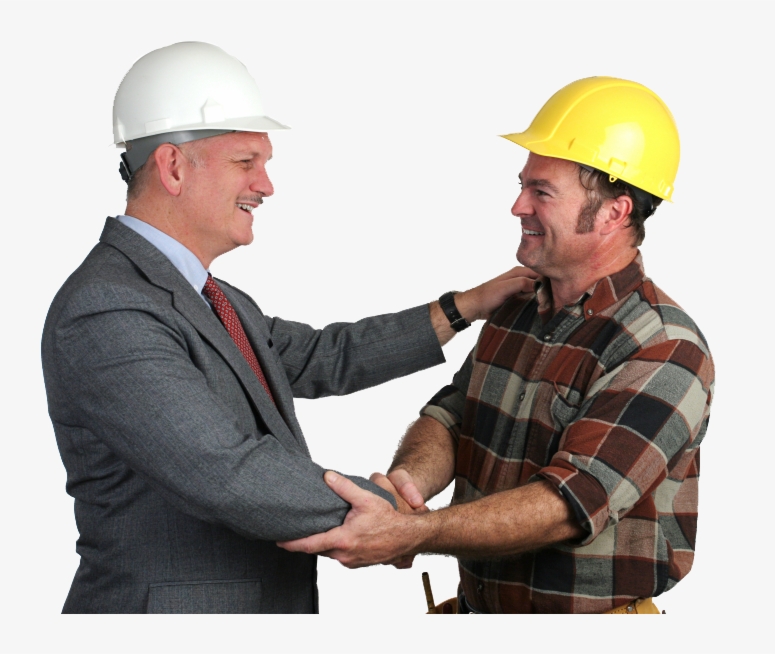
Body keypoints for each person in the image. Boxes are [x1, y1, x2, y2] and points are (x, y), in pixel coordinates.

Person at [40, 42, 537, 614]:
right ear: (173, 167)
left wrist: (465, 305)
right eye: (246, 162)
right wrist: (396, 518)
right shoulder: (108, 308)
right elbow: (227, 470)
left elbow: (321, 356)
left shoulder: (212, 297)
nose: (266, 185)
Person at [279, 77, 715, 614]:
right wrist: (406, 487)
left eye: (541, 192)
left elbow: (568, 504)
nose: (517, 206)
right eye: (522, 185)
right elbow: (454, 417)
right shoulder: (517, 309)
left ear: (613, 213)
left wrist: (411, 533)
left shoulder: (664, 347)